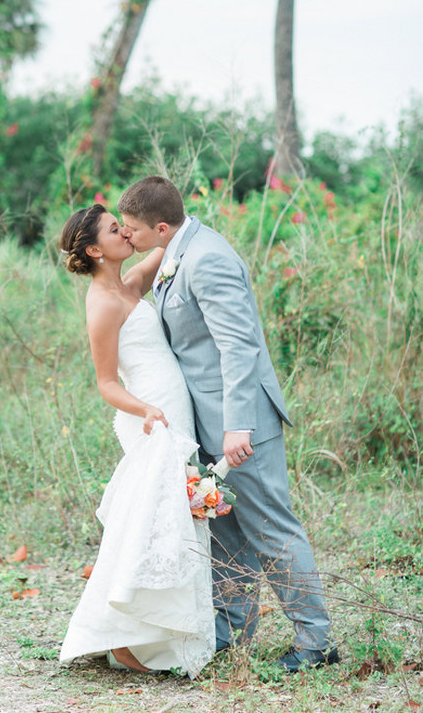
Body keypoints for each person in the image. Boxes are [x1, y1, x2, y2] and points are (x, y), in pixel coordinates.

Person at [117, 175, 339, 673]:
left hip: (241, 423)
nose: (126, 236)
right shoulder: (176, 248)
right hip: (205, 423)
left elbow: (238, 347)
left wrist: (239, 426)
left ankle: (317, 641)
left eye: (130, 228)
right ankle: (231, 634)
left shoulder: (207, 257)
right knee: (226, 532)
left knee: (271, 529)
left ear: (158, 225)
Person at [57, 204, 216, 677]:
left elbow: (167, 240)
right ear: (93, 249)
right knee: (149, 517)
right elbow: (106, 382)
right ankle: (120, 631)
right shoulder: (102, 304)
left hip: (172, 409)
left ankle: (150, 631)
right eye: (114, 229)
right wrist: (146, 409)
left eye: (123, 225)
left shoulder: (126, 287)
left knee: (169, 519)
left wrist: (166, 216)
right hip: (151, 419)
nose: (124, 232)